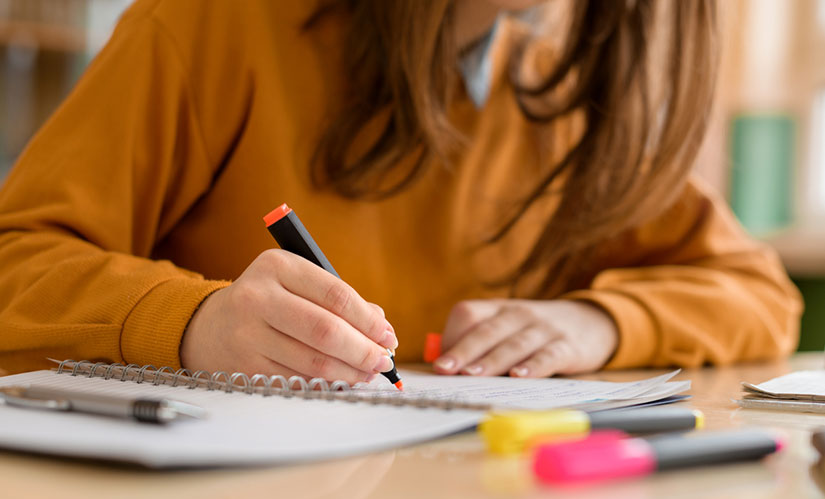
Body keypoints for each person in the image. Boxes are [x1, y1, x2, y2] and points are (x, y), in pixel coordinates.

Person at [0, 0, 801, 384]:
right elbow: (16, 263)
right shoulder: (210, 25)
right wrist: (193, 324)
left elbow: (757, 294)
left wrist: (597, 322)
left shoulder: (559, 101)